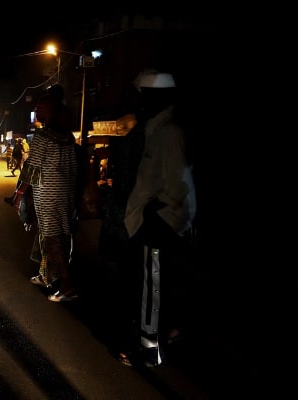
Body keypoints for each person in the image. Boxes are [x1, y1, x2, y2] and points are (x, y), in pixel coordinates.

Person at [118, 71, 196, 367]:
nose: (138, 101)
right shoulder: (155, 129)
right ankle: (153, 338)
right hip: (150, 222)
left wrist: (156, 213)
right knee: (149, 286)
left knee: (152, 288)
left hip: (159, 224)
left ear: (156, 97)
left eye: (142, 96)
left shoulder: (169, 133)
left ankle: (149, 350)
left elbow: (178, 185)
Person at [11, 84, 79, 302]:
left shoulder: (42, 136)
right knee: (62, 236)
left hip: (48, 195)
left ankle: (67, 286)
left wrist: (19, 194)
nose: (37, 111)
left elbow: (32, 169)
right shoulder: (67, 136)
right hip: (66, 194)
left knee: (51, 239)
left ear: (49, 110)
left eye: (40, 107)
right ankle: (46, 276)